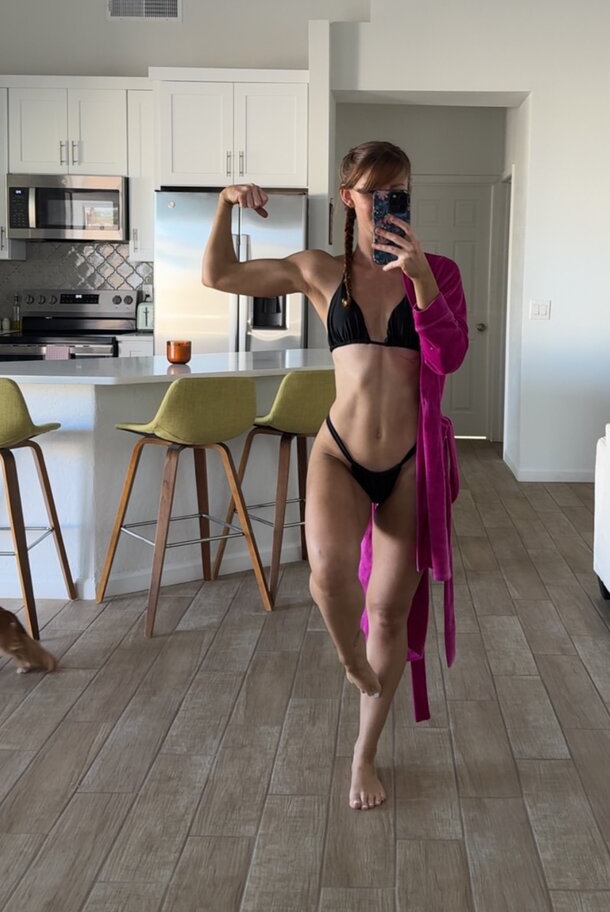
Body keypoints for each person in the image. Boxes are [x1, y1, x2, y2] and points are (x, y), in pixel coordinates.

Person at [202, 140, 468, 810]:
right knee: (325, 574)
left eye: (400, 191)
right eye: (375, 192)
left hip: (411, 463)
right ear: (349, 197)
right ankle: (351, 658)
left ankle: (364, 755)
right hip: (340, 453)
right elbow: (219, 276)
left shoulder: (438, 271)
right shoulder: (320, 271)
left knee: (389, 613)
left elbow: (450, 356)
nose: (388, 203)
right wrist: (224, 204)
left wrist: (422, 281)